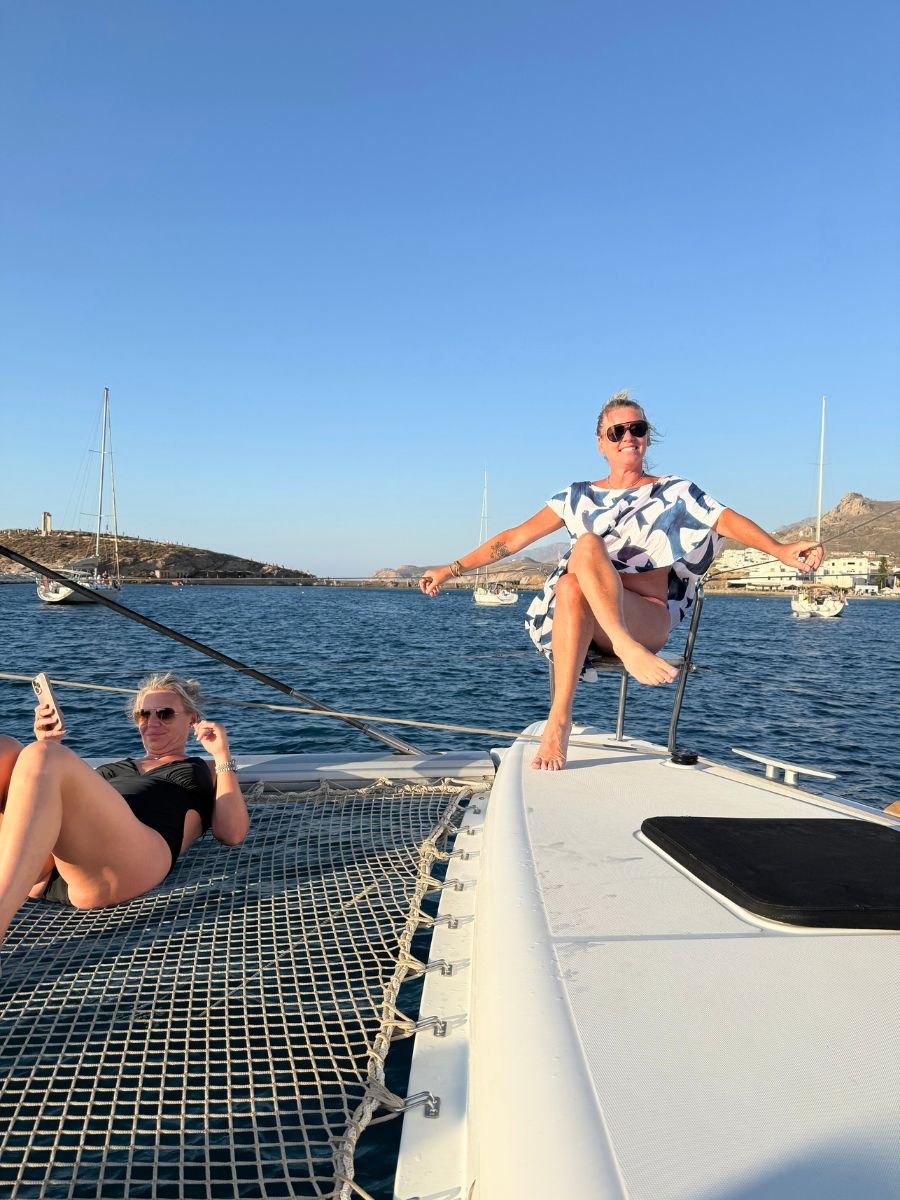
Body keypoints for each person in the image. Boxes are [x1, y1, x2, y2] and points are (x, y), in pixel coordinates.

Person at [420, 391, 823, 772]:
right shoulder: (576, 496)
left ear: (647, 438)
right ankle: (559, 719)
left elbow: (725, 520)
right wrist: (450, 569)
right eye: (617, 431)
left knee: (580, 560)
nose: (628, 437)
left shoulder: (675, 492)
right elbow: (511, 539)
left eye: (638, 429)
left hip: (645, 619)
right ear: (601, 442)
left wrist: (780, 549)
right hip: (593, 624)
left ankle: (622, 653)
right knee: (576, 571)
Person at [0, 672, 250, 941]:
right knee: (6, 747)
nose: (152, 722)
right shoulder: (115, 767)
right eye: (144, 715)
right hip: (49, 868)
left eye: (164, 713)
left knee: (42, 754)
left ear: (192, 719)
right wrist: (48, 746)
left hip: (130, 861)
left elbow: (232, 833)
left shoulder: (208, 768)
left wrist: (222, 754)